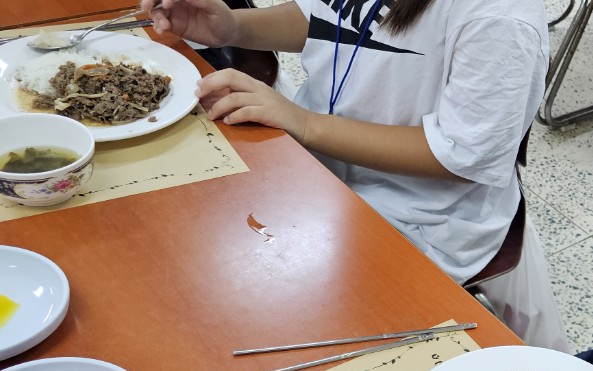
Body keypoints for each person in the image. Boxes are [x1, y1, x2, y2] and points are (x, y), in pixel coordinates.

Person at [142, 0, 570, 351]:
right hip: (315, 173)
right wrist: (232, 28)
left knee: (250, 327)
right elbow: (323, 18)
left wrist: (306, 123)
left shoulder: (500, 17)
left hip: (418, 216)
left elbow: (461, 155)